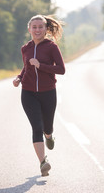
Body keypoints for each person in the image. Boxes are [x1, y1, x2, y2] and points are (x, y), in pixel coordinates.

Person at [13, 15, 65, 177]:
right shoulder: (25, 48)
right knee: (36, 127)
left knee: (47, 127)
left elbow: (61, 69)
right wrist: (19, 78)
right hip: (28, 93)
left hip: (48, 92)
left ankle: (48, 135)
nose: (37, 30)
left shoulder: (51, 47)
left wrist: (40, 65)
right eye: (34, 27)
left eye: (40, 27)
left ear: (45, 29)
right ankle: (43, 161)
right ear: (29, 29)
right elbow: (26, 67)